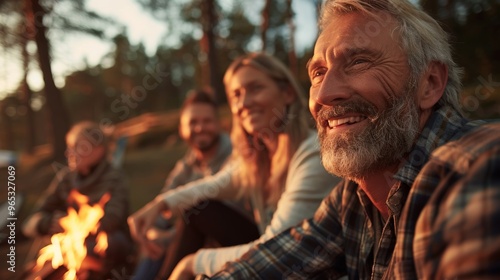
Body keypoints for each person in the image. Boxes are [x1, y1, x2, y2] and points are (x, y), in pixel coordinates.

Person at [205, 0, 500, 279]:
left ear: (430, 83)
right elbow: (267, 266)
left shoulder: (478, 169)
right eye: (318, 73)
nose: (323, 95)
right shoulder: (353, 196)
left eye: (358, 62)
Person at [128, 53, 340, 279]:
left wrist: (193, 263)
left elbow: (277, 249)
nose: (244, 103)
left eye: (255, 88)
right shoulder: (257, 160)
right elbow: (209, 186)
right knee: (199, 208)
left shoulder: (312, 154)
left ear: (287, 93)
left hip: (305, 268)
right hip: (275, 257)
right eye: (236, 95)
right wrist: (160, 204)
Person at [132, 89, 235, 280]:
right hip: (189, 244)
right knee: (157, 245)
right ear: (182, 129)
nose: (200, 128)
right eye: (193, 122)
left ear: (219, 125)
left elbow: (222, 216)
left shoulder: (235, 154)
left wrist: (168, 237)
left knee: (195, 207)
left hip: (231, 242)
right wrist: (153, 232)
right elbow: (163, 209)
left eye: (207, 121)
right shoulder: (186, 165)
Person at [22, 121, 132, 277]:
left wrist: (72, 224)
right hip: (70, 243)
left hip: (108, 243)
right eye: (69, 146)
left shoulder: (113, 178)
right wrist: (47, 223)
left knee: (98, 246)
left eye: (78, 147)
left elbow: (112, 219)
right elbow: (34, 219)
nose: (69, 153)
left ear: (99, 150)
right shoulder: (66, 179)